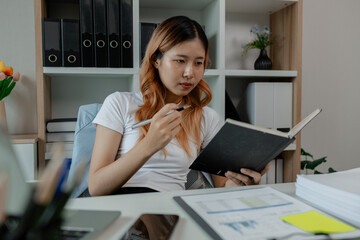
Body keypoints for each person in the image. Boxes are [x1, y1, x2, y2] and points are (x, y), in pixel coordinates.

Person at [88, 16, 270, 196]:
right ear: (156, 60)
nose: (190, 73)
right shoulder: (119, 103)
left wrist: (242, 182)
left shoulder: (207, 117)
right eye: (180, 61)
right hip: (126, 204)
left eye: (199, 63)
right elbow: (96, 187)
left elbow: (223, 187)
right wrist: (149, 145)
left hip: (172, 207)